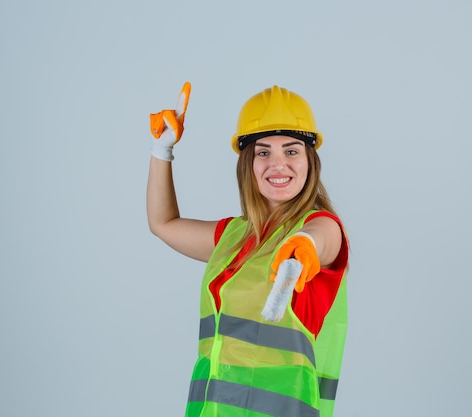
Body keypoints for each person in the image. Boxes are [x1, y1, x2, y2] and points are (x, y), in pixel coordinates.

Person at [147, 82, 349, 417]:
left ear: (310, 160)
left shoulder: (320, 225)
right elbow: (164, 224)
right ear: (248, 165)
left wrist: (305, 246)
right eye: (263, 152)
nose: (278, 164)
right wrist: (161, 152)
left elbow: (323, 236)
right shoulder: (234, 235)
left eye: (292, 150)